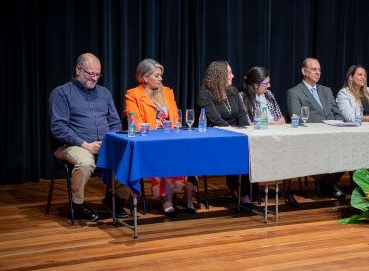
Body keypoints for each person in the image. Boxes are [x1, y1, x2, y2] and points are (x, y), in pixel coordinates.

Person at [49, 53, 128, 221]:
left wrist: (108, 142)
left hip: (103, 144)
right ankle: (77, 205)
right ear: (78, 70)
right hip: (70, 145)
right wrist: (85, 145)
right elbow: (58, 128)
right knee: (85, 161)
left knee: (127, 156)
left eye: (97, 74)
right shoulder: (61, 93)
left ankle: (114, 199)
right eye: (91, 73)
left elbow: (115, 123)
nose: (94, 78)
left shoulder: (104, 93)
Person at [124, 58, 196, 215]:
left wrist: (170, 126)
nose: (160, 79)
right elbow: (135, 121)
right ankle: (167, 199)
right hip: (149, 140)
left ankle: (188, 196)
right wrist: (155, 126)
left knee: (191, 151)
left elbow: (175, 117)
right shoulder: (133, 94)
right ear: (145, 77)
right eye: (156, 76)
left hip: (170, 136)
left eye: (161, 75)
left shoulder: (167, 92)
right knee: (165, 154)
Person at [286, 58, 345, 199]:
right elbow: (297, 117)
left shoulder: (326, 90)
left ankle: (324, 185)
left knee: (350, 151)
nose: (318, 72)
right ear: (304, 71)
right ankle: (331, 186)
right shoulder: (294, 92)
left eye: (319, 70)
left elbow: (337, 113)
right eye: (314, 69)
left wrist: (337, 124)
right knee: (318, 153)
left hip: (334, 135)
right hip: (312, 138)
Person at [239, 66, 298, 206]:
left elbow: (281, 118)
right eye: (266, 83)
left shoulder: (269, 95)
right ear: (255, 84)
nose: (269, 85)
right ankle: (251, 190)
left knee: (290, 150)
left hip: (275, 135)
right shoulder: (243, 97)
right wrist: (273, 123)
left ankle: (287, 190)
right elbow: (248, 123)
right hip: (257, 139)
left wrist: (271, 123)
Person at [197, 61, 252, 202]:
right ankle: (237, 189)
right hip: (217, 135)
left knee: (250, 147)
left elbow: (242, 115)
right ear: (219, 75)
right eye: (229, 73)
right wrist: (234, 132)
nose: (232, 76)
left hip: (237, 133)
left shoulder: (233, 91)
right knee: (238, 148)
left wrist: (247, 131)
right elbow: (216, 120)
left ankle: (246, 190)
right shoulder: (205, 94)